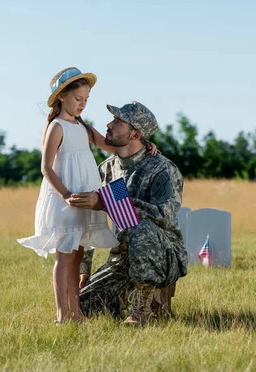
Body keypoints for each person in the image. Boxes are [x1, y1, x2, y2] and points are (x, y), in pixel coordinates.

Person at [16, 67, 158, 324]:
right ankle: (63, 313)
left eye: (86, 100)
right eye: (78, 99)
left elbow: (111, 145)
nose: (82, 104)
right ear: (62, 96)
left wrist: (145, 144)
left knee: (78, 254)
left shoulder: (82, 126)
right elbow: (46, 167)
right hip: (67, 197)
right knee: (65, 255)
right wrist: (66, 194)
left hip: (86, 195)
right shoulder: (57, 127)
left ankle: (76, 310)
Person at [68, 100, 188, 326]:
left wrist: (106, 200)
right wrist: (84, 268)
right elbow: (91, 218)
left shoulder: (161, 168)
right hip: (122, 255)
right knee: (84, 306)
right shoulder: (107, 168)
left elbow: (164, 215)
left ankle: (141, 309)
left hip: (162, 254)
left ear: (135, 133)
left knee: (139, 226)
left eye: (118, 121)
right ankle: (125, 300)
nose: (109, 125)